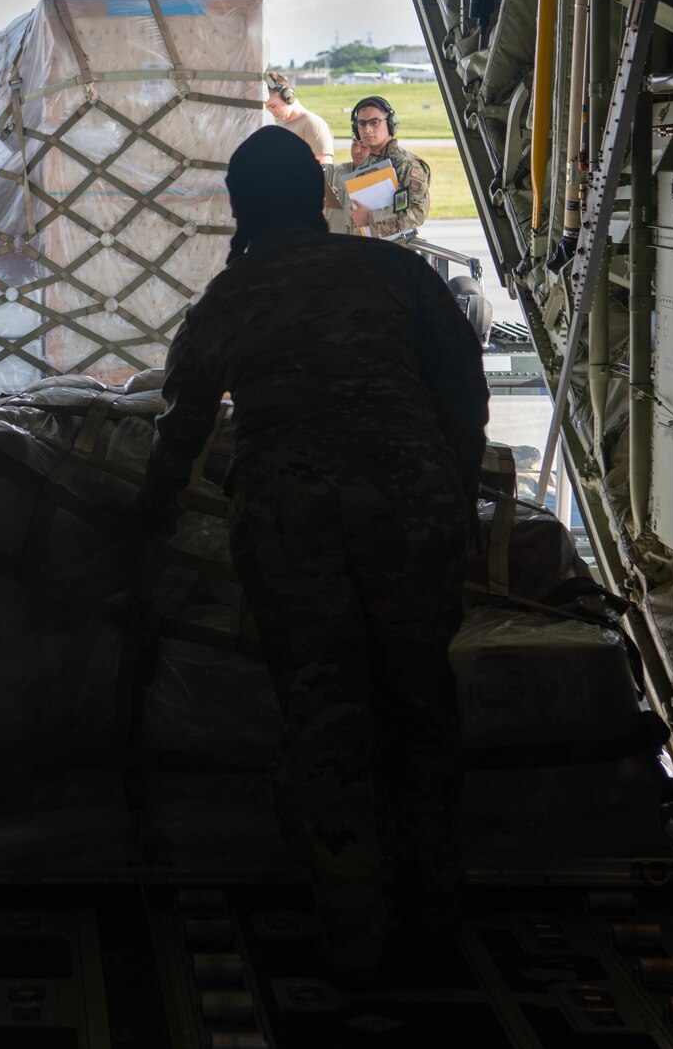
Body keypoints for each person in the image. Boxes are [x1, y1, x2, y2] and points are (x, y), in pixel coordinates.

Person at [136, 126, 487, 987]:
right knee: (418, 699)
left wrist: (144, 526)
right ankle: (436, 912)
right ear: (324, 195)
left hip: (295, 519)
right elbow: (467, 390)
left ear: (239, 208)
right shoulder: (399, 274)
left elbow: (178, 428)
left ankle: (354, 930)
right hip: (413, 506)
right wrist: (451, 490)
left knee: (325, 707)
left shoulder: (232, 294)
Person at [344, 94, 431, 239]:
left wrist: (370, 218)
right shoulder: (366, 164)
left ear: (390, 124)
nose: (367, 129)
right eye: (362, 123)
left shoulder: (406, 164)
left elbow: (417, 212)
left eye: (374, 122)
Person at [266, 72, 335, 163]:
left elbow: (324, 170)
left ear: (287, 96)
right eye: (268, 108)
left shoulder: (312, 124)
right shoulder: (280, 125)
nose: (271, 112)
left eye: (273, 106)